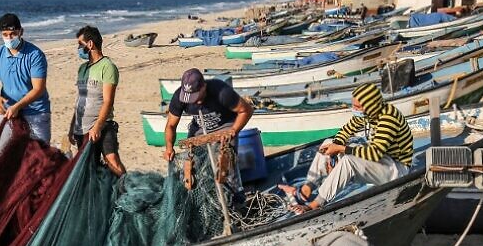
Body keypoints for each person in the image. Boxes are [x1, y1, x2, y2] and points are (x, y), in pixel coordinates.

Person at [279, 82, 413, 213]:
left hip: (396, 169)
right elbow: (346, 130)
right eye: (353, 105)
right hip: (381, 159)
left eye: (357, 106)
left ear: (370, 105)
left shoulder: (388, 118)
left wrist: (340, 149)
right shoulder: (370, 113)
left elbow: (375, 153)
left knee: (349, 161)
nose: (354, 109)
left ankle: (315, 204)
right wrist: (333, 152)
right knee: (328, 142)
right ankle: (306, 190)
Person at [163, 68, 253, 199]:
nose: (193, 101)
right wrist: (169, 147)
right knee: (192, 165)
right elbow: (170, 125)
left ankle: (236, 196)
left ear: (204, 87)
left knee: (225, 163)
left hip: (225, 124)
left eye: (196, 96)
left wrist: (233, 130)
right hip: (199, 127)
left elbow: (246, 110)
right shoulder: (180, 97)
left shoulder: (221, 92)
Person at [0, 13, 51, 143]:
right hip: (8, 113)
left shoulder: (35, 55)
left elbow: (38, 88)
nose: (9, 38)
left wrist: (18, 106)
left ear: (21, 32)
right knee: (5, 154)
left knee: (39, 155)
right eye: (5, 35)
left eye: (13, 34)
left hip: (35, 113)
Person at [70, 25, 125, 176]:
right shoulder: (82, 69)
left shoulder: (108, 67)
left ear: (90, 44)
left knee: (112, 160)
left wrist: (98, 126)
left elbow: (108, 101)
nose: (78, 48)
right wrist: (72, 128)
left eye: (80, 44)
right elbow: (80, 100)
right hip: (81, 128)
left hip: (103, 125)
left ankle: (127, 192)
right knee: (89, 169)